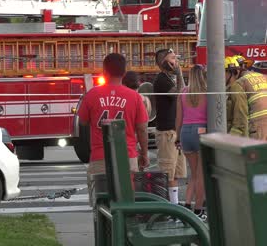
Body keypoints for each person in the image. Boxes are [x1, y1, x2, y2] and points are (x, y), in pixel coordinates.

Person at [78, 53, 149, 208]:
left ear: (104, 72)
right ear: (124, 72)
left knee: (101, 205)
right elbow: (142, 128)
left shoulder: (92, 95)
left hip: (99, 156)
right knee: (128, 202)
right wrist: (144, 153)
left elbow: (82, 121)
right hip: (128, 155)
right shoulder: (134, 97)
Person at [153, 48, 187, 205]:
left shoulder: (169, 78)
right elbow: (177, 93)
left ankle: (175, 203)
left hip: (176, 130)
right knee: (168, 172)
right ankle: (169, 206)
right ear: (164, 62)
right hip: (167, 132)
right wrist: (179, 73)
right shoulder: (161, 80)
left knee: (177, 172)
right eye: (173, 58)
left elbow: (185, 92)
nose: (176, 61)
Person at [175, 64, 207, 220]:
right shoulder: (208, 92)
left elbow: (178, 118)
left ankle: (187, 205)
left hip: (186, 132)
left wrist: (177, 137)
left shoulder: (183, 92)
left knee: (193, 174)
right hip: (202, 131)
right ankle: (199, 209)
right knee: (202, 175)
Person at [225, 56, 267, 140]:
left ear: (232, 72)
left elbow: (240, 118)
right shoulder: (260, 76)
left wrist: (232, 139)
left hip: (257, 129)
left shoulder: (238, 84)